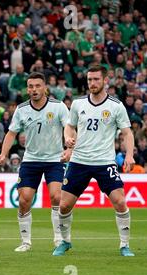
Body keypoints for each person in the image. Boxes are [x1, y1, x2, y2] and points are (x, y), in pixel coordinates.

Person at [53, 65, 135, 257]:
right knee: (64, 205)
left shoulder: (116, 106)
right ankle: (65, 242)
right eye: (90, 79)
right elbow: (69, 127)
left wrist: (129, 154)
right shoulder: (78, 104)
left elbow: (127, 133)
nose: (92, 83)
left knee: (120, 201)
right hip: (79, 161)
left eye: (96, 79)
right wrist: (68, 140)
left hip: (105, 162)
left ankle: (124, 245)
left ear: (105, 80)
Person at [0, 72, 71, 252]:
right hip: (30, 160)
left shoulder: (58, 106)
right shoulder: (21, 109)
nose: (34, 90)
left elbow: (69, 127)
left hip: (54, 159)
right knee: (24, 200)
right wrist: (3, 153)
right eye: (30, 86)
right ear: (27, 89)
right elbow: (11, 133)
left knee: (56, 197)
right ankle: (26, 242)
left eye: (38, 86)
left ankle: (59, 238)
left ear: (45, 87)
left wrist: (69, 148)